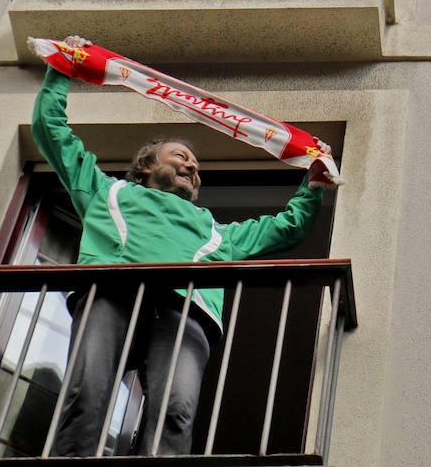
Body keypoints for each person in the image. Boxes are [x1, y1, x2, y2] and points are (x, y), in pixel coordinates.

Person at [32, 35, 329, 455]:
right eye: (180, 156)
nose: (191, 164)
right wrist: (62, 69)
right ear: (145, 166)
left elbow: (287, 227)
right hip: (111, 295)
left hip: (186, 310)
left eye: (195, 164)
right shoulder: (106, 192)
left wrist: (314, 177)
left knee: (177, 411)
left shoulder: (215, 232)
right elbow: (52, 131)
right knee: (85, 395)